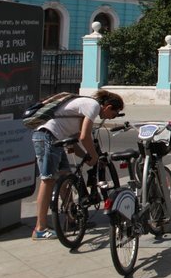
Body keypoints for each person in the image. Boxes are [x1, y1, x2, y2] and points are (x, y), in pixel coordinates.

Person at [30, 90, 124, 240]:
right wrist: (94, 156)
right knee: (47, 180)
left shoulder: (86, 106)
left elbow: (74, 139)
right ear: (108, 107)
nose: (111, 117)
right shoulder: (92, 105)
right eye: (114, 114)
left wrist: (86, 157)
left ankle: (72, 220)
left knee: (66, 178)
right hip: (47, 136)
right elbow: (84, 136)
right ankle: (40, 229)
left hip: (56, 139)